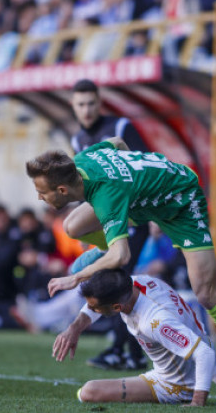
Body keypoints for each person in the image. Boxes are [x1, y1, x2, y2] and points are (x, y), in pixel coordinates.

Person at [25, 139, 216, 406]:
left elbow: (123, 257)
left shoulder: (106, 195)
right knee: (71, 226)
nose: (39, 197)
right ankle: (109, 242)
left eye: (41, 192)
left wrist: (77, 277)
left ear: (61, 189)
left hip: (182, 201)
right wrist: (141, 192)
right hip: (148, 201)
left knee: (207, 294)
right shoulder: (80, 162)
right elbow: (118, 142)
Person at [53, 268, 216, 406]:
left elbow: (204, 353)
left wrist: (197, 402)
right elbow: (197, 340)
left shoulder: (154, 321)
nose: (92, 311)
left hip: (175, 385)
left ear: (118, 307)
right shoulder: (137, 283)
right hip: (186, 352)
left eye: (96, 309)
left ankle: (203, 391)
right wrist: (74, 328)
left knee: (88, 391)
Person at [69, 78, 149, 371]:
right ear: (73, 106)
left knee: (119, 280)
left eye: (91, 103)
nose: (87, 110)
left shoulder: (120, 128)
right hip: (105, 225)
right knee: (112, 282)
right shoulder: (77, 140)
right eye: (81, 104)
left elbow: (142, 165)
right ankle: (126, 350)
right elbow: (83, 188)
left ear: (100, 103)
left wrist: (149, 216)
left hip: (131, 220)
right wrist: (82, 228)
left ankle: (127, 350)